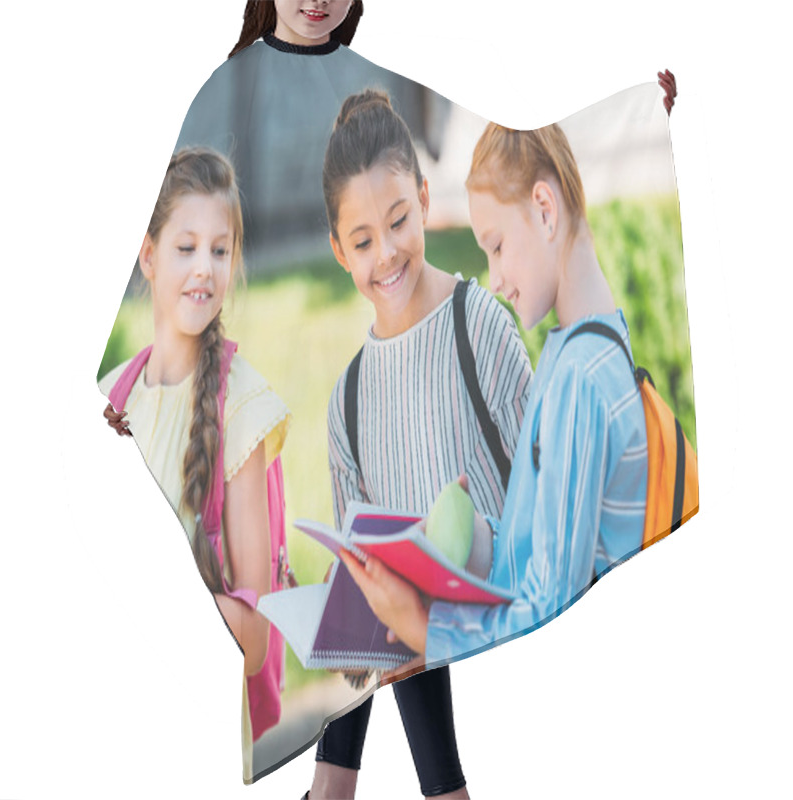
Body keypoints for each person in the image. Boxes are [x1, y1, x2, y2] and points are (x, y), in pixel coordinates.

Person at [341, 120, 651, 668]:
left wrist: (420, 627)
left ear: (545, 210)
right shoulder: (587, 347)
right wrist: (478, 536)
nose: (494, 276)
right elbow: (550, 543)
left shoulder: (579, 379)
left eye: (498, 246)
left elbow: (549, 608)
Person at [309, 88, 533, 800]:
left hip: (502, 626)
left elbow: (551, 495)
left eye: (400, 221)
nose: (388, 255)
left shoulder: (482, 327)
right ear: (339, 250)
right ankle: (341, 788)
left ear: (426, 199)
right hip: (417, 652)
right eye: (364, 240)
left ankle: (339, 792)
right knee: (372, 601)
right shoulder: (346, 402)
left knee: (398, 612)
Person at [98, 147, 292, 776]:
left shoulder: (241, 409)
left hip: (192, 742)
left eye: (220, 248)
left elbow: (256, 637)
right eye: (186, 248)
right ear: (147, 255)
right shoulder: (107, 401)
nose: (205, 269)